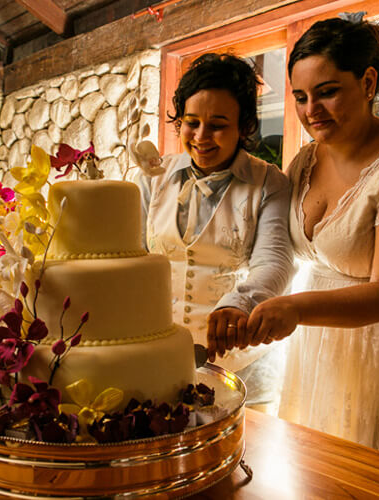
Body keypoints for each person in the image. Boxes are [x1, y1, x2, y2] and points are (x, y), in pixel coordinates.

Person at [208, 15, 379, 482]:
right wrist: (245, 299)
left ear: (367, 81)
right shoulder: (305, 161)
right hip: (326, 351)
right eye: (300, 97)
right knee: (323, 478)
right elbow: (282, 253)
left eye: (327, 91)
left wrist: (294, 309)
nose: (310, 109)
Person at [136, 53, 293, 410]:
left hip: (245, 364)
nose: (201, 136)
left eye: (218, 124)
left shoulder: (270, 183)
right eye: (192, 122)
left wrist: (240, 303)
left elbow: (275, 260)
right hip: (161, 357)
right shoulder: (153, 179)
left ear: (245, 126)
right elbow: (132, 257)